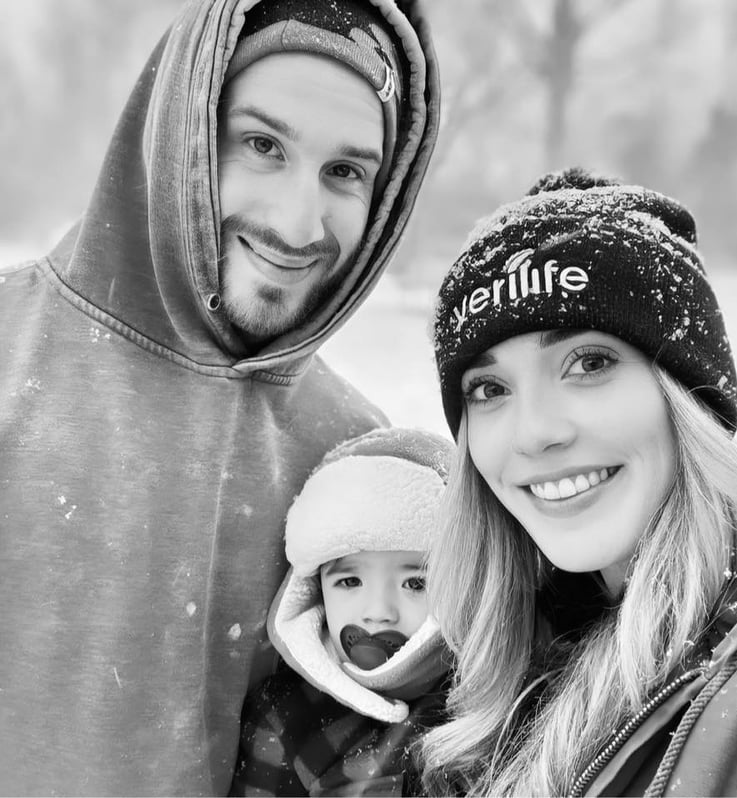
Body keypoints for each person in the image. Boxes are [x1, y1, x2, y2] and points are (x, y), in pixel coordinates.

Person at [0, 0, 439, 794]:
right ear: (182, 133)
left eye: (345, 171)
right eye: (263, 144)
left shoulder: (351, 462)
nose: (297, 222)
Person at [418, 167, 737, 797]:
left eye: (589, 363)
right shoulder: (483, 670)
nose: (534, 433)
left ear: (688, 398)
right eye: (489, 390)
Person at [229, 426, 453, 796]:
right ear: (314, 590)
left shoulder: (492, 693)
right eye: (350, 582)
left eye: (416, 584)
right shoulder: (284, 718)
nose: (378, 613)